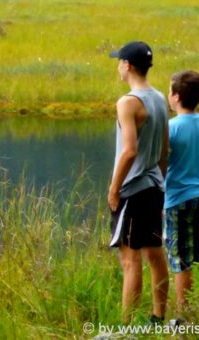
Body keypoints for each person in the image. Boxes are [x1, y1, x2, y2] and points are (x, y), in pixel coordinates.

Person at [107, 41, 169, 324]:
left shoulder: (128, 102)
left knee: (130, 260)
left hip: (132, 190)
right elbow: (163, 150)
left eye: (119, 61)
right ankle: (158, 318)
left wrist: (114, 189)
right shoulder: (158, 98)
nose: (118, 66)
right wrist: (162, 185)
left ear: (127, 65)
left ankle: (126, 326)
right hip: (155, 187)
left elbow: (129, 150)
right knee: (155, 255)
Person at [164, 70, 199, 322]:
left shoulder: (170, 128)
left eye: (169, 91)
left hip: (178, 200)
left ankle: (182, 320)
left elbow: (161, 163)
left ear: (176, 97)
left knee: (181, 260)